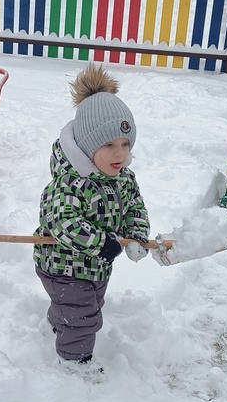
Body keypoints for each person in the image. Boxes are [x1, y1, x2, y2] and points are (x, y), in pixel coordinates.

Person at [33, 64, 168, 368]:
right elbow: (63, 223)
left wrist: (136, 234)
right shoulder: (69, 182)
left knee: (87, 304)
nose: (120, 153)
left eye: (125, 144)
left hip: (96, 266)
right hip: (63, 267)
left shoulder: (123, 178)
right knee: (83, 316)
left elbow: (134, 207)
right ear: (87, 145)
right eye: (109, 145)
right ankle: (75, 363)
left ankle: (57, 321)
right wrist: (100, 244)